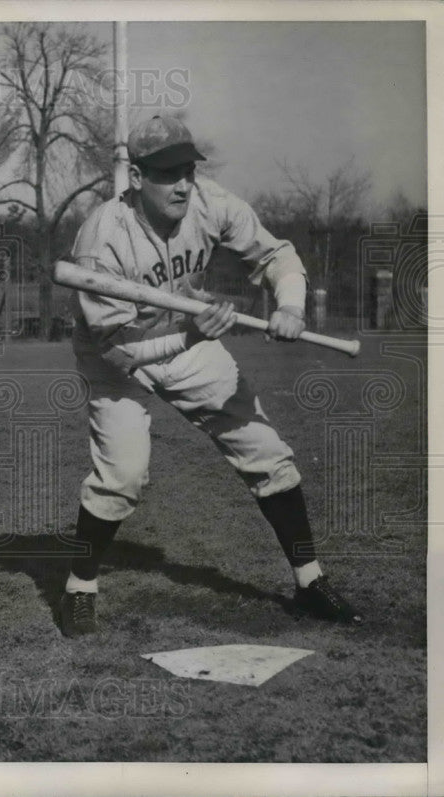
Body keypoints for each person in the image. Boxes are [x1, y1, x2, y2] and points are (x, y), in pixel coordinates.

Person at [60, 115, 360, 638]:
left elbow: (276, 254)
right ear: (135, 176)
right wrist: (194, 335)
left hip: (185, 329)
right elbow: (123, 350)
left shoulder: (211, 203)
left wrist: (289, 306)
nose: (182, 183)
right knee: (124, 476)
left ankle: (309, 581)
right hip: (116, 354)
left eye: (188, 170)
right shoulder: (102, 238)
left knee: (266, 449)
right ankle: (79, 588)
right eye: (166, 172)